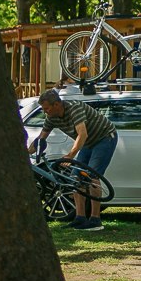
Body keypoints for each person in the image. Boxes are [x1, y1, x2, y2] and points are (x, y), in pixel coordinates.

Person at [26, 87, 116, 231]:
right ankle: (80, 218)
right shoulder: (51, 117)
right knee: (75, 178)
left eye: (47, 108)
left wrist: (70, 155)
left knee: (92, 176)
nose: (45, 111)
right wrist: (25, 153)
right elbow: (41, 138)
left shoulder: (74, 108)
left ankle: (95, 220)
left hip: (104, 138)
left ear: (56, 104)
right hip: (88, 143)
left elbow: (82, 134)